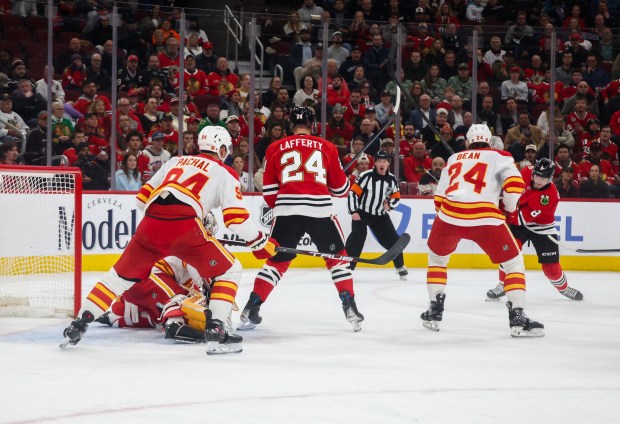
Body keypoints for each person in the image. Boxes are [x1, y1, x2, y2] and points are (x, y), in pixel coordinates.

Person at [62, 126, 278, 354]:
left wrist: (164, 222)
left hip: (150, 224)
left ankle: (78, 325)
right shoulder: (225, 173)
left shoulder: (175, 161)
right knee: (230, 269)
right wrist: (260, 243)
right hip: (185, 226)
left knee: (116, 278)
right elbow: (236, 219)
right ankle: (217, 331)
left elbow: (141, 199)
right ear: (222, 149)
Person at [237, 107, 363, 332]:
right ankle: (349, 306)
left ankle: (251, 306)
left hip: (286, 212)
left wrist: (286, 207)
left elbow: (269, 191)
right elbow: (341, 189)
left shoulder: (274, 147)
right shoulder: (327, 147)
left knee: (277, 261)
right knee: (337, 259)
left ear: (290, 125)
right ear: (312, 124)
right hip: (319, 211)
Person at [421, 124, 544, 337]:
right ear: (490, 141)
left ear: (468, 142)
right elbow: (514, 186)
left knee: (438, 260)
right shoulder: (501, 156)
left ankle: (435, 309)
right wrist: (510, 210)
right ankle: (517, 315)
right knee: (513, 263)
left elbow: (439, 200)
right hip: (485, 217)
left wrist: (449, 218)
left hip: (449, 215)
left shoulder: (453, 159)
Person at [486, 159, 584, 302]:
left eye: (543, 179)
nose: (538, 181)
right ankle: (502, 285)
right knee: (508, 253)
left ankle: (564, 288)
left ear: (550, 179)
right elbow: (510, 186)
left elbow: (522, 218)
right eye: (537, 176)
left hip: (541, 227)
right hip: (519, 222)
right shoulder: (526, 172)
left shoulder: (550, 196)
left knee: (551, 268)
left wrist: (502, 212)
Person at [345, 150, 407, 280]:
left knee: (393, 241)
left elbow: (396, 196)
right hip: (362, 213)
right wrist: (353, 211)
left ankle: (400, 266)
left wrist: (390, 204)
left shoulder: (391, 179)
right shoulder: (366, 176)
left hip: (380, 216)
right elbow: (352, 193)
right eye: (379, 161)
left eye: (384, 161)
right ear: (375, 163)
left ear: (388, 163)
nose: (382, 164)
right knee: (357, 238)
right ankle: (346, 268)